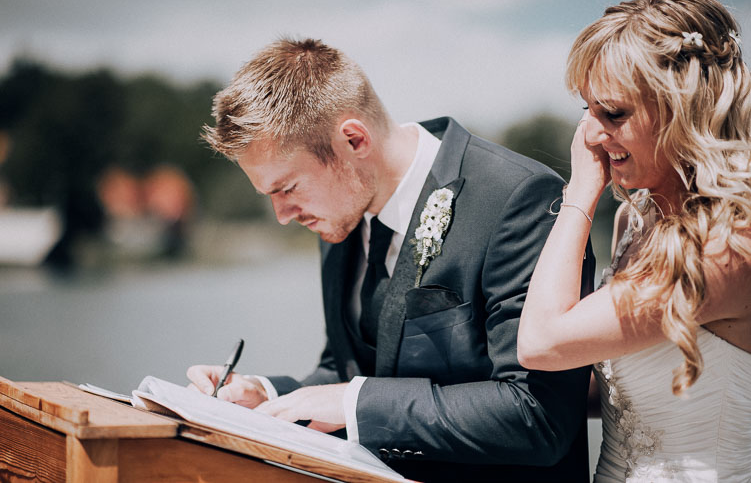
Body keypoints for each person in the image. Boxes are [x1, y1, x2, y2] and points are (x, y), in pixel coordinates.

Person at [188, 38, 595, 482]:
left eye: (287, 188)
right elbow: (350, 369)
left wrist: (354, 404)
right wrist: (264, 395)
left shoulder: (515, 197)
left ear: (353, 140)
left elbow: (538, 417)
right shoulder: (338, 212)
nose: (282, 216)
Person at [517, 0, 751, 482]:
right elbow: (625, 388)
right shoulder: (635, 222)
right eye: (587, 110)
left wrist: (581, 191)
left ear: (682, 108)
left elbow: (542, 340)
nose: (590, 134)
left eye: (613, 114)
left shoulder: (728, 241)